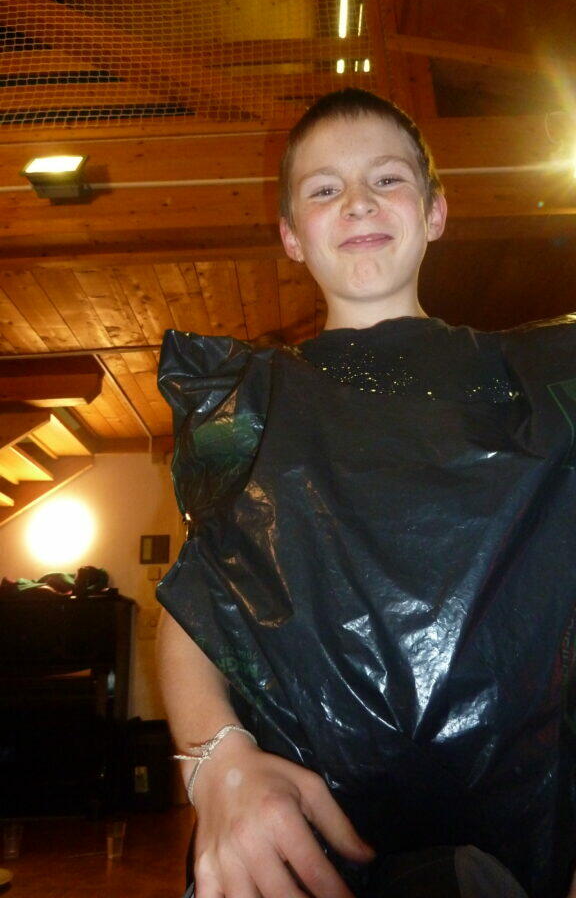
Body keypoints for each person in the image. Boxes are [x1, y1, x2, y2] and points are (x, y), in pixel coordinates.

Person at [156, 88, 576, 898]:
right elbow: (195, 602)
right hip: (289, 844)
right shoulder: (238, 403)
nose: (357, 201)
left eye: (387, 179)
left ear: (435, 212)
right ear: (291, 235)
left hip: (519, 840)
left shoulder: (544, 388)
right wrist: (217, 764)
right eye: (324, 189)